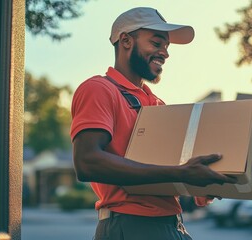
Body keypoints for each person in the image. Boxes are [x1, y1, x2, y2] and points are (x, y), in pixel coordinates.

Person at [70, 7, 237, 240]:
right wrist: (182, 174)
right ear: (126, 41)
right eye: (157, 43)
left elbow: (164, 171)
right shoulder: (99, 89)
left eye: (166, 47)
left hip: (171, 224)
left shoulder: (157, 103)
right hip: (131, 225)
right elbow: (87, 162)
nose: (165, 53)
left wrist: (199, 186)